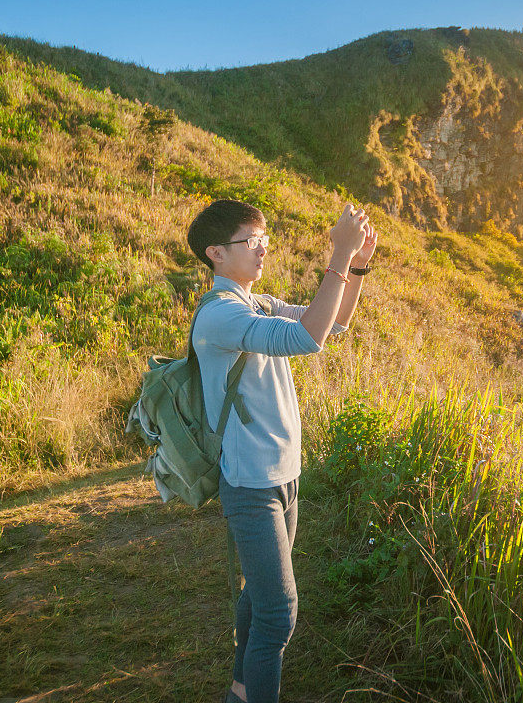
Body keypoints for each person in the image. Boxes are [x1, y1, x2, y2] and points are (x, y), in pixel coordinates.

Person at [186, 198, 377, 703]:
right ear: (216, 254)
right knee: (278, 611)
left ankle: (240, 692)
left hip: (285, 475)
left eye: (263, 238)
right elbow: (308, 340)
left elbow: (331, 325)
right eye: (250, 241)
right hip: (251, 483)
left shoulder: (258, 303)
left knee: (259, 597)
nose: (262, 248)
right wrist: (339, 253)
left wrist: (356, 265)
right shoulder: (219, 316)